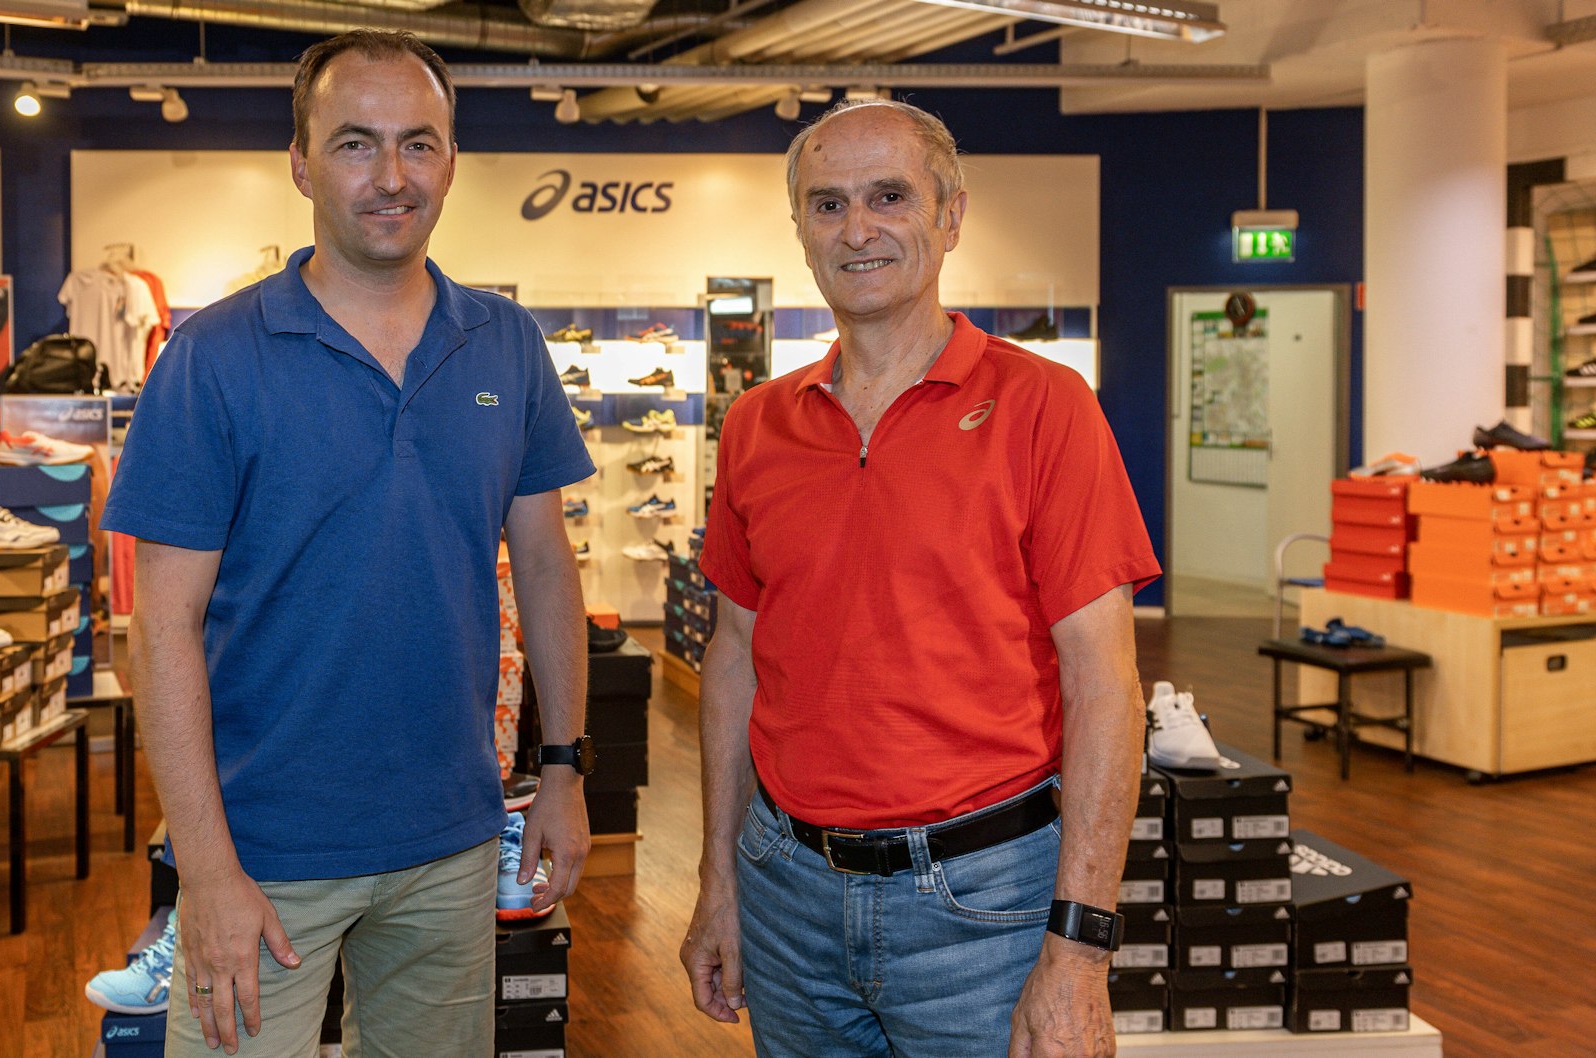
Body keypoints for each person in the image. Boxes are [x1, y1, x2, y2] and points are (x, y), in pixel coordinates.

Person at [102, 31, 595, 1058]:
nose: (390, 176)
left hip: (451, 839)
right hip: (263, 850)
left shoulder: (503, 342)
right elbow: (164, 627)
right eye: (355, 144)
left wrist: (562, 769)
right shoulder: (212, 357)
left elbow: (546, 563)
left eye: (418, 144)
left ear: (451, 160)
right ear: (300, 163)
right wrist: (206, 868)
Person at [679, 98, 1161, 1058]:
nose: (857, 230)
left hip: (986, 907)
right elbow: (734, 659)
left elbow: (1106, 689)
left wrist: (1079, 955)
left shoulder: (1045, 410)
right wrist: (720, 884)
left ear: (950, 215)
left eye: (888, 197)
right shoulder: (756, 426)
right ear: (802, 232)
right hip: (786, 895)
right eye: (827, 205)